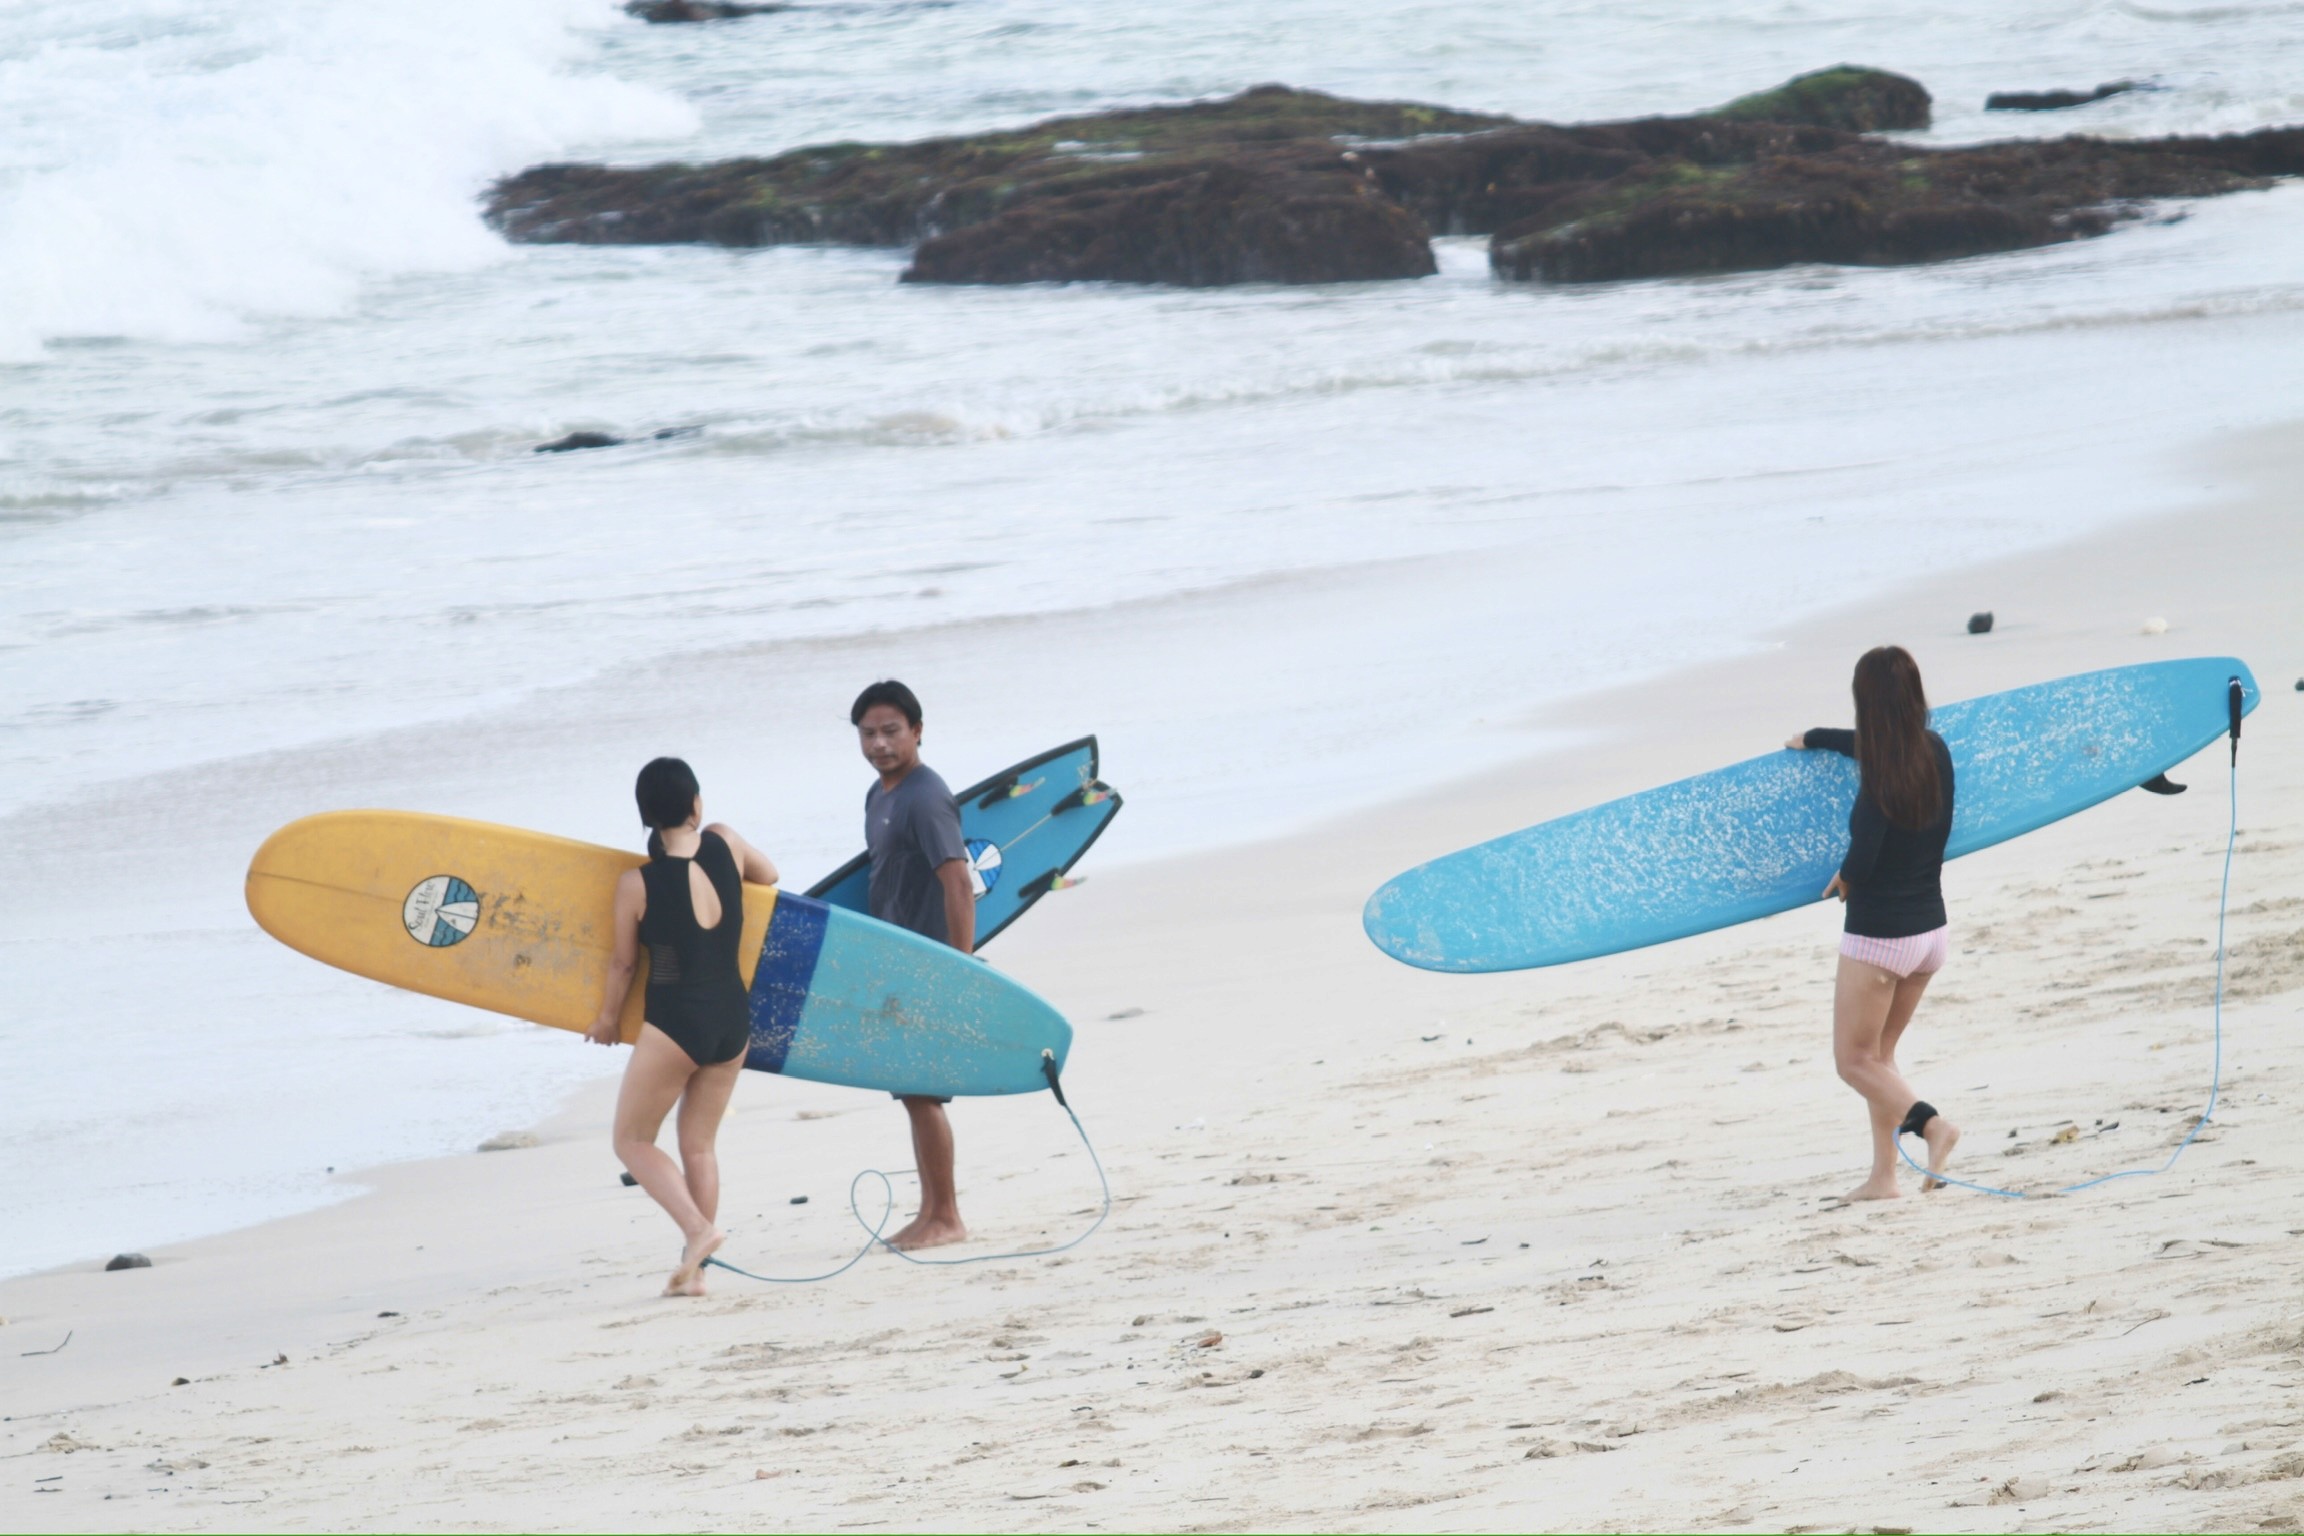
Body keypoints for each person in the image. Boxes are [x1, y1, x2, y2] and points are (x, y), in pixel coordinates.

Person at [588, 757, 779, 1295]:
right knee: (699, 1146)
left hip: (675, 1022)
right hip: (731, 1020)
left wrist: (606, 1019)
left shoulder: (637, 883)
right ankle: (694, 1274)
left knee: (631, 1140)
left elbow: (624, 964)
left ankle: (697, 1231)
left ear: (645, 817)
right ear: (697, 803)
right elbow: (769, 875)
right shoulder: (727, 841)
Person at [1786, 645, 1962, 1201]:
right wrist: (1816, 736)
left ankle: (1934, 1126)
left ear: (1866, 702)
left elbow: (1862, 857)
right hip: (1931, 934)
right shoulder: (1934, 751)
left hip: (1880, 939)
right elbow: (1871, 747)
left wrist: (1843, 879)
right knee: (1881, 1060)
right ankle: (1884, 1178)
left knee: (1853, 1062)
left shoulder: (1881, 782)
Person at [851, 679, 976, 1250]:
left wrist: (961, 969)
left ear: (918, 731)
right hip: (898, 962)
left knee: (922, 1091)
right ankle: (932, 1212)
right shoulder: (880, 796)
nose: (879, 743)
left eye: (891, 731)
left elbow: (957, 880)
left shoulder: (925, 796)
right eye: (869, 733)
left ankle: (946, 1217)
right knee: (913, 1091)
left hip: (928, 963)